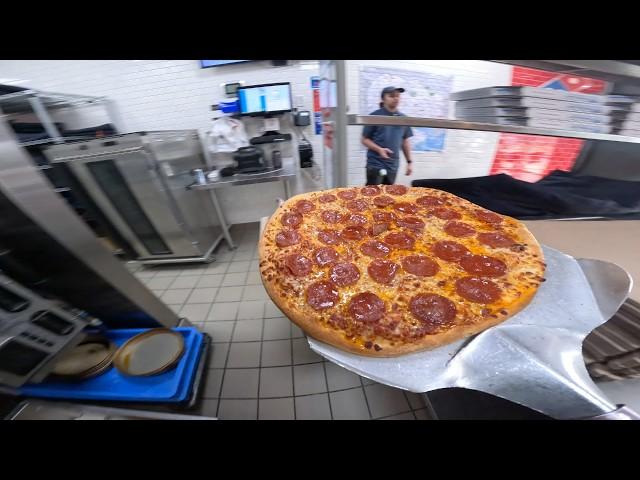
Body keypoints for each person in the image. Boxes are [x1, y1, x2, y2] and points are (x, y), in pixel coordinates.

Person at [361, 86, 414, 185]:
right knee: (372, 195)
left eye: (398, 96)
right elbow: (364, 140)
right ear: (383, 99)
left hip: (392, 165)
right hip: (375, 164)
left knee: (388, 195)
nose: (396, 98)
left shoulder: (403, 118)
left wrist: (409, 162)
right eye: (391, 96)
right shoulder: (374, 116)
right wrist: (379, 149)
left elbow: (405, 141)